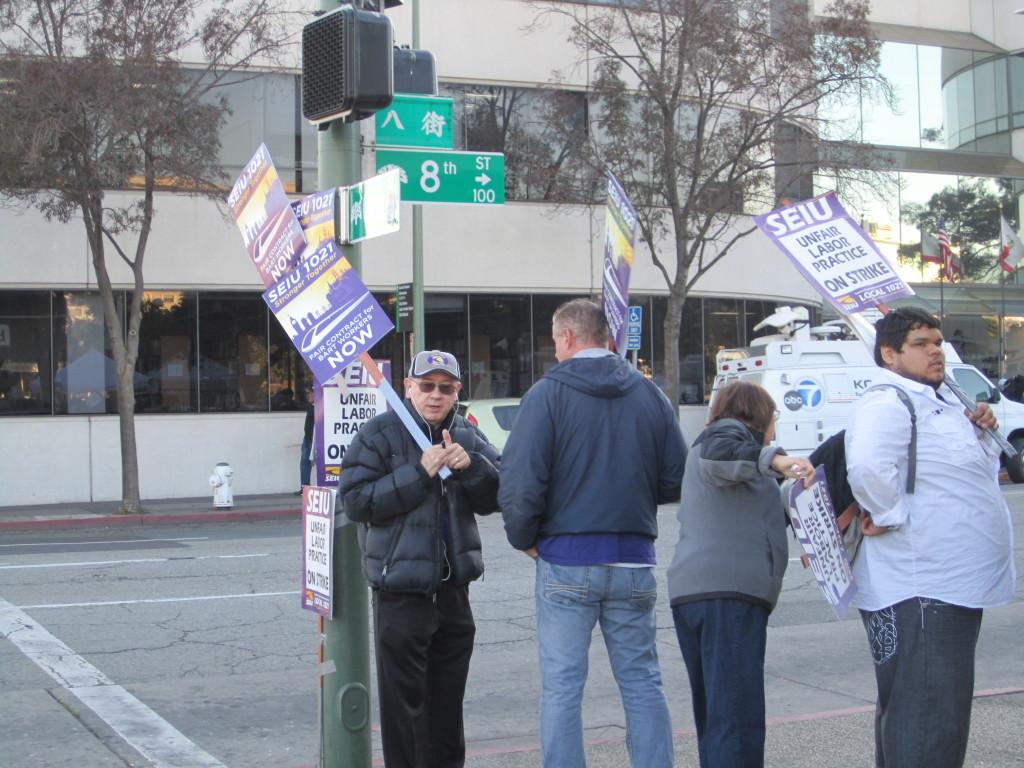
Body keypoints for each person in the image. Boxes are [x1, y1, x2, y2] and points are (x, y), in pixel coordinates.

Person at [499, 298, 688, 768]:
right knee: (643, 680)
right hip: (634, 557)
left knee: (563, 686)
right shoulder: (650, 396)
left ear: (566, 337)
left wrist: (524, 537)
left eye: (554, 339)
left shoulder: (546, 395)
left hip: (566, 556)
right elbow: (675, 478)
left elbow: (521, 481)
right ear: (607, 338)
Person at [845, 307, 1016, 768]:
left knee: (927, 718)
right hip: (921, 589)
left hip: (947, 587)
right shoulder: (888, 402)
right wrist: (889, 513)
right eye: (921, 344)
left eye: (938, 342)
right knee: (927, 723)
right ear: (889, 353)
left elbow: (959, 478)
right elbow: (866, 467)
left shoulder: (939, 402)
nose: (935, 351)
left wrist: (981, 434)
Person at [340, 349, 500, 768]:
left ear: (457, 392)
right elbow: (356, 502)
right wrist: (418, 472)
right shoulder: (378, 434)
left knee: (447, 709)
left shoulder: (467, 435)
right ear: (408, 387)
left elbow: (500, 495)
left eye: (445, 388)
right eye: (426, 386)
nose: (435, 395)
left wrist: (475, 467)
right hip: (401, 594)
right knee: (403, 713)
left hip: (453, 593)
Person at [665, 381, 813, 768]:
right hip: (725, 595)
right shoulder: (726, 434)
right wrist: (777, 460)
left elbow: (761, 517)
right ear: (759, 417)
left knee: (718, 718)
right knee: (736, 716)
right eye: (773, 418)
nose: (774, 428)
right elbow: (721, 453)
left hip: (701, 593)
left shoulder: (740, 467)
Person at [298, 388, 314, 493]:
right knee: (304, 462)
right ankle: (305, 487)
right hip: (307, 438)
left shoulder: (320, 407)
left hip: (315, 439)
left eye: (310, 393)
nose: (308, 395)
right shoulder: (310, 406)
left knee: (310, 462)